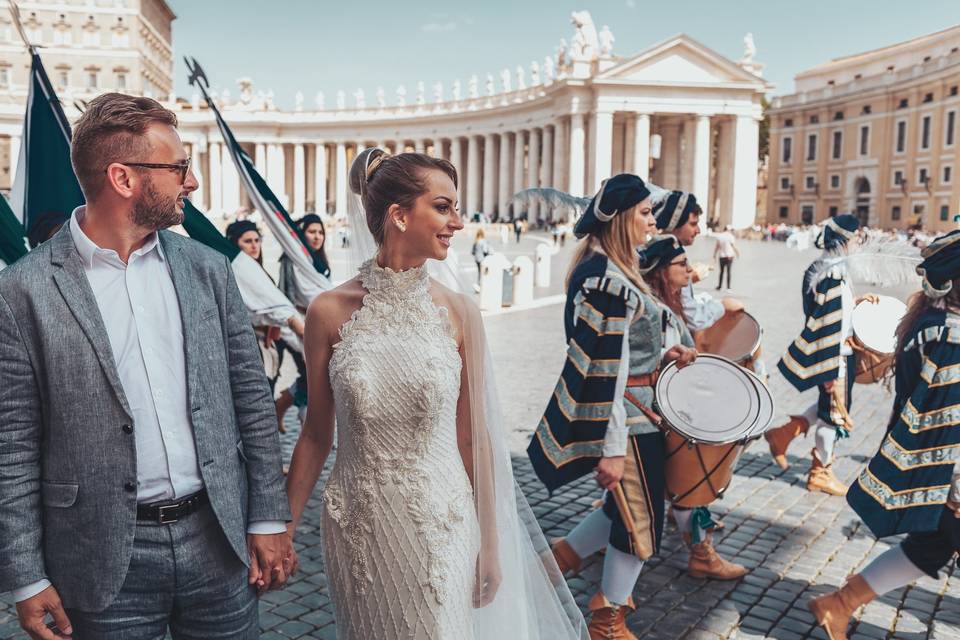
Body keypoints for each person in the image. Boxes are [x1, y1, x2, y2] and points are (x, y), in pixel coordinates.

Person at [0, 93, 292, 639]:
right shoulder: (22, 289)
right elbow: (13, 443)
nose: (193, 183)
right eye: (180, 167)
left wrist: (268, 517)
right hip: (100, 555)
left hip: (217, 540)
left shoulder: (209, 269)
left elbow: (250, 398)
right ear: (123, 178)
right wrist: (25, 577)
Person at [284, 148, 586, 639]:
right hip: (359, 527)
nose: (458, 223)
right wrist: (284, 527)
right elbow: (317, 433)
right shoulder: (328, 311)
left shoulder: (460, 313)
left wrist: (492, 541)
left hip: (441, 525)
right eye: (443, 207)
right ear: (399, 216)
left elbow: (475, 439)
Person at [527, 174, 698, 639]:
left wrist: (666, 354)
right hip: (627, 417)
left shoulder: (614, 270)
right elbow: (608, 368)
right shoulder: (604, 278)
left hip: (640, 409)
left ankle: (556, 563)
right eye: (644, 212)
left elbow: (626, 350)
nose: (651, 220)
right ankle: (607, 622)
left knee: (624, 511)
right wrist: (613, 446)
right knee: (641, 524)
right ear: (621, 217)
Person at [808, 230, 960, 640]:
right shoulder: (948, 334)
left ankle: (837, 604)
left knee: (929, 549)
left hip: (938, 470)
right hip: (946, 473)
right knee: (931, 546)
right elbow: (947, 417)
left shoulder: (934, 321)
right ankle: (836, 604)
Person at [639, 235, 748, 582]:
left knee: (657, 494)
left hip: (667, 410)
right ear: (660, 272)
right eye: (681, 265)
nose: (690, 270)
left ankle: (563, 557)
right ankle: (701, 554)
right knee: (679, 487)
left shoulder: (670, 306)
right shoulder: (651, 311)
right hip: (652, 414)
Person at [771, 215, 878, 495]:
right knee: (833, 416)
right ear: (843, 240)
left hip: (839, 353)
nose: (858, 244)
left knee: (828, 409)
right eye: (856, 238)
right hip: (834, 355)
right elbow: (826, 325)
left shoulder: (829, 269)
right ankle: (820, 473)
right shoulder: (831, 273)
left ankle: (784, 433)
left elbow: (834, 313)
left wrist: (856, 302)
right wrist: (828, 372)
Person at [654, 191, 765, 380]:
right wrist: (723, 305)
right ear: (674, 223)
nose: (698, 230)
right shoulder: (660, 260)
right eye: (693, 224)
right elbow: (693, 316)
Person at [226, 219, 306, 402]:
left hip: (271, 343)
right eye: (247, 241)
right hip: (252, 346)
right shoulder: (236, 274)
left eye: (257, 240)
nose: (254, 246)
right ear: (235, 243)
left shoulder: (261, 272)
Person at [276, 213, 331, 430]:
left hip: (318, 326)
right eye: (311, 231)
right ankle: (307, 424)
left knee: (313, 377)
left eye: (320, 232)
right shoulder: (293, 262)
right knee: (314, 377)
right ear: (301, 234)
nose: (317, 237)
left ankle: (283, 405)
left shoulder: (320, 265)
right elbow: (293, 295)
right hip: (298, 326)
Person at [713, 225, 739, 291]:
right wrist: (737, 252)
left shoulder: (720, 236)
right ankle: (728, 287)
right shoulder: (731, 237)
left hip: (722, 256)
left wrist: (714, 255)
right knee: (728, 272)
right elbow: (733, 246)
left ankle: (719, 286)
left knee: (721, 272)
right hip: (729, 256)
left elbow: (717, 246)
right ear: (728, 230)